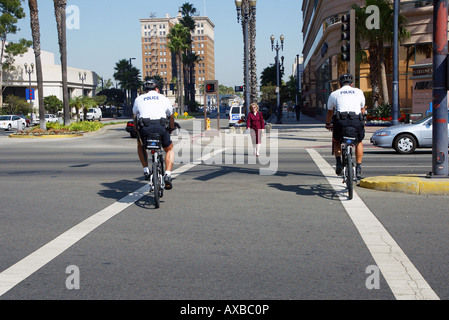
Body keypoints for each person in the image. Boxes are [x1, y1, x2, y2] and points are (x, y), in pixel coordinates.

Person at [133, 78, 175, 190]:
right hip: (160, 126)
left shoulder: (138, 99)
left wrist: (137, 131)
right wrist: (171, 128)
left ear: (145, 89)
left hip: (144, 127)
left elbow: (134, 117)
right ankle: (167, 174)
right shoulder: (163, 98)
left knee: (140, 146)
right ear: (157, 88)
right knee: (169, 149)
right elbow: (170, 115)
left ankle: (146, 170)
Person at [325, 73, 366, 179]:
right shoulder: (359, 92)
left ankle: (338, 162)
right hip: (356, 121)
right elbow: (362, 109)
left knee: (337, 140)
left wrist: (328, 123)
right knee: (359, 142)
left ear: (340, 84)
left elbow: (330, 112)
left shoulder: (334, 94)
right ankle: (358, 167)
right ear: (351, 84)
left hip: (341, 122)